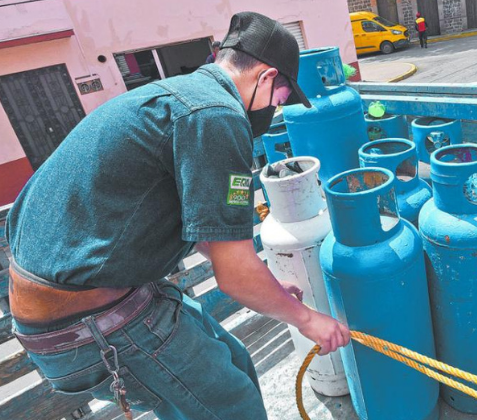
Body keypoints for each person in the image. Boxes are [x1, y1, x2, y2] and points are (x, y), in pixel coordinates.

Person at [5, 11, 350, 420]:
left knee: (235, 364)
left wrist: (268, 286)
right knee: (234, 408)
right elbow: (234, 275)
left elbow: (210, 231)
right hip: (89, 323)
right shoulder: (217, 116)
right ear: (267, 77)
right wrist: (308, 320)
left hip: (102, 298)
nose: (276, 109)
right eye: (282, 98)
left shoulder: (183, 97)